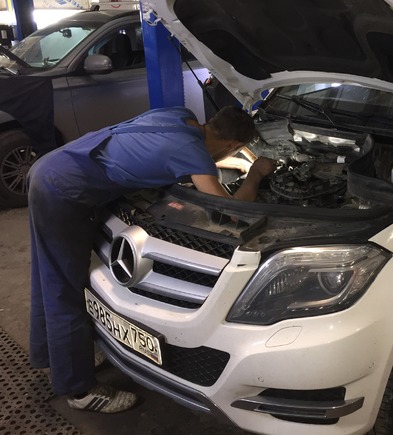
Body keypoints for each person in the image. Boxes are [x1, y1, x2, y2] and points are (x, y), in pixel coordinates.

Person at [28, 105, 275, 413]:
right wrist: (255, 175)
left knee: (50, 274)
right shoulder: (194, 154)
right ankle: (79, 390)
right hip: (64, 190)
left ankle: (57, 356)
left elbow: (157, 151)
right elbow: (231, 213)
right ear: (233, 146)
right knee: (63, 289)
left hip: (53, 166)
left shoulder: (179, 115)